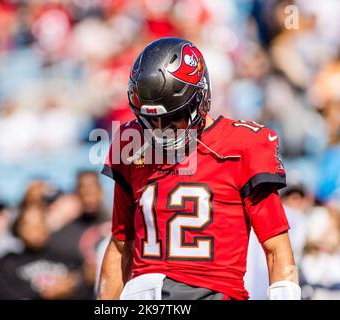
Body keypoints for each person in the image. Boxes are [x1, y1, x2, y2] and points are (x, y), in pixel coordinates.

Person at [98, 37, 300, 300]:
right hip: (143, 294)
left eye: (172, 117)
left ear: (200, 99)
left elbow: (276, 249)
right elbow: (120, 245)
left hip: (211, 294)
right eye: (151, 119)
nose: (160, 129)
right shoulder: (131, 144)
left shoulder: (243, 145)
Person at [0, 204, 81, 300]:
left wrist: (73, 285)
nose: (36, 229)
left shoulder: (67, 257)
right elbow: (3, 294)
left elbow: (85, 289)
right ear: (18, 229)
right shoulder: (6, 263)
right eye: (29, 225)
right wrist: (44, 295)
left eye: (40, 222)